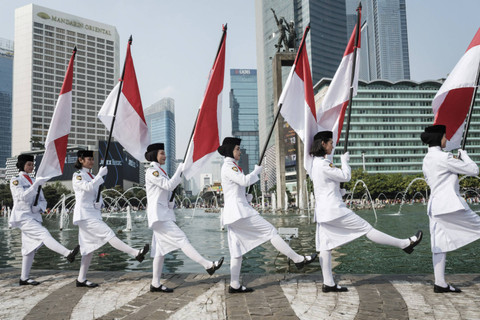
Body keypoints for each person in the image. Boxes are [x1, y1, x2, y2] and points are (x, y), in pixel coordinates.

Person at [310, 131, 423, 292]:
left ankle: (328, 283)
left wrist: (339, 192)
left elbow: (325, 186)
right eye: (330, 142)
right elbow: (345, 176)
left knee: (325, 246)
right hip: (334, 210)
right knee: (367, 229)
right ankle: (404, 244)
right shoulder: (323, 163)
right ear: (323, 144)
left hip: (323, 212)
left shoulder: (315, 163)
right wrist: (345, 162)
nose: (332, 145)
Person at [218, 137, 317, 293]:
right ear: (230, 150)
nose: (239, 152)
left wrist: (245, 197)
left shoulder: (230, 166)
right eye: (237, 148)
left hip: (234, 213)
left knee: (236, 250)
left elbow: (235, 189)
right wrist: (256, 171)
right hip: (239, 213)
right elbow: (244, 181)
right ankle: (298, 259)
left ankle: (234, 284)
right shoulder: (230, 166)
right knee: (271, 231)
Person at [145, 143, 224, 293]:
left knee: (159, 251)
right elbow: (168, 185)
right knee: (182, 239)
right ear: (154, 155)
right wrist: (179, 170)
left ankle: (155, 283)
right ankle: (208, 265)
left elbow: (166, 192)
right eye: (162, 153)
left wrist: (170, 201)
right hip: (159, 216)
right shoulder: (152, 171)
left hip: (162, 213)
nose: (165, 156)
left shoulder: (160, 171)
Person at [72, 150, 149, 288]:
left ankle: (81, 279)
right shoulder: (77, 175)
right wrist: (100, 176)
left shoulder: (91, 175)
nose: (92, 161)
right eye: (89, 159)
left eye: (92, 159)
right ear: (81, 160)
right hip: (84, 214)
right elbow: (87, 188)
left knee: (87, 249)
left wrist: (99, 203)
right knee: (109, 234)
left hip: (93, 213)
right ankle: (135, 253)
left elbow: (96, 193)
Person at [421, 124, 480, 293]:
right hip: (450, 206)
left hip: (435, 207)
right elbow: (474, 170)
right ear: (439, 139)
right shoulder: (444, 158)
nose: (446, 139)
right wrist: (464, 156)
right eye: (444, 137)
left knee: (439, 245)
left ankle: (440, 283)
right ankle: (440, 283)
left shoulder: (427, 159)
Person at [10, 154, 80, 286]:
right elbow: (21, 197)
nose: (31, 167)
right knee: (44, 234)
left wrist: (39, 207)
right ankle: (67, 253)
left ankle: (24, 278)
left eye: (32, 164)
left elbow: (43, 200)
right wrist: (35, 185)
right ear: (22, 165)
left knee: (28, 249)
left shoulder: (34, 181)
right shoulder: (16, 180)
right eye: (28, 164)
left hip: (34, 216)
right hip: (23, 216)